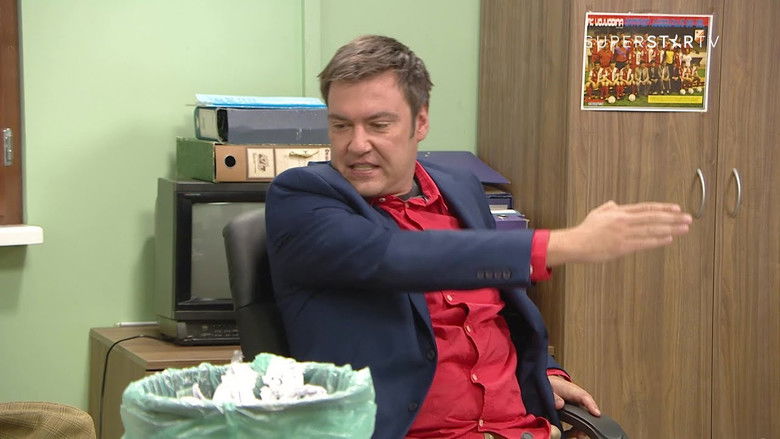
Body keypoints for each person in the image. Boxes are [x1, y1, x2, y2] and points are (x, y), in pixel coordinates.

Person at [265, 35, 692, 439]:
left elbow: (501, 312)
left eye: (378, 124)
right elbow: (395, 256)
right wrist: (565, 244)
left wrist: (541, 371)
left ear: (421, 122)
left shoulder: (460, 188)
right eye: (341, 126)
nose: (357, 144)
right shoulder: (301, 199)